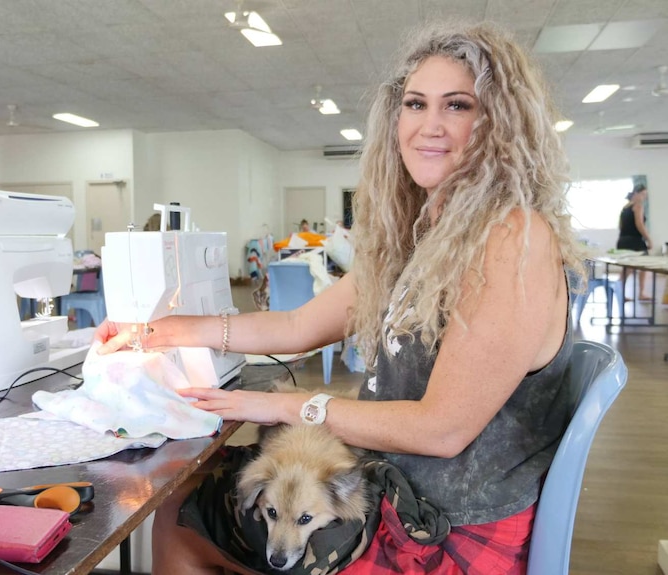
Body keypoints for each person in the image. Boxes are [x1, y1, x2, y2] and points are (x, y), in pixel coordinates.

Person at [93, 22, 585, 575]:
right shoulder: (422, 239)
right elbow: (297, 327)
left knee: (181, 515)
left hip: (447, 529)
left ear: (498, 122)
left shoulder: (512, 236)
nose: (429, 126)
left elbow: (442, 430)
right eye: (416, 104)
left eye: (458, 106)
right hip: (403, 493)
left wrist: (284, 406)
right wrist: (168, 330)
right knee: (196, 493)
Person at [616, 184, 652, 300]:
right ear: (636, 193)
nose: (644, 197)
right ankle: (641, 293)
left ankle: (619, 292)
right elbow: (640, 224)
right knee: (644, 266)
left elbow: (620, 226)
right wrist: (648, 239)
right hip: (634, 241)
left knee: (627, 268)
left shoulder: (625, 207)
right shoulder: (638, 206)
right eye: (643, 194)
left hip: (623, 240)